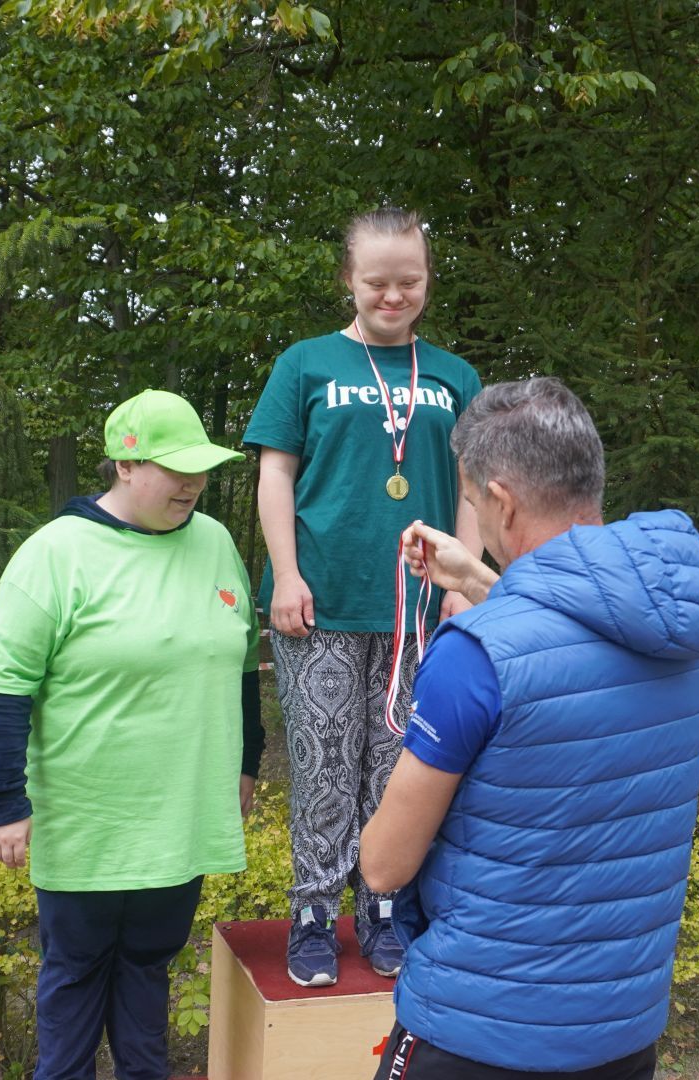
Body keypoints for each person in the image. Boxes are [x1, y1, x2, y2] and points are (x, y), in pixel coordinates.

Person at [359, 377, 699, 1079]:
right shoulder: (679, 631)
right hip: (619, 1034)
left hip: (476, 1031)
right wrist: (476, 576)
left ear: (500, 499)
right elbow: (571, 646)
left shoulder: (472, 657)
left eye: (472, 503)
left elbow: (384, 866)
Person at [0, 390, 265, 1080]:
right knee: (74, 975)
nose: (192, 483)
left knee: (148, 969)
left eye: (201, 468)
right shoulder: (56, 554)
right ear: (125, 466)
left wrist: (246, 765)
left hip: (181, 816)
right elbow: (0, 688)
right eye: (174, 468)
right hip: (88, 817)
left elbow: (243, 666)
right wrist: (3, 803)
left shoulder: (216, 542)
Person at [242, 206, 484, 987]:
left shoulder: (454, 375)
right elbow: (274, 473)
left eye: (409, 281)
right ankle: (312, 916)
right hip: (323, 605)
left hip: (418, 613)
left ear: (427, 281)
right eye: (377, 282)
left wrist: (465, 579)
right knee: (322, 766)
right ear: (348, 279)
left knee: (399, 769)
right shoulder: (305, 364)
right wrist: (286, 573)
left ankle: (382, 907)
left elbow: (476, 488)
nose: (393, 296)